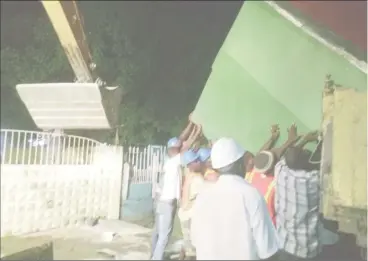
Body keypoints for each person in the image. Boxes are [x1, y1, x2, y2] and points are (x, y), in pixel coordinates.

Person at [190, 138, 279, 260]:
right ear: (239, 163)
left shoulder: (202, 196)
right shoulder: (251, 195)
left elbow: (195, 241)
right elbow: (268, 249)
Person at [275, 130, 338, 260]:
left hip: (284, 245)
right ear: (307, 163)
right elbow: (327, 166)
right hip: (307, 251)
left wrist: (304, 140)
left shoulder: (280, 171)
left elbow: (290, 157)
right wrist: (321, 142)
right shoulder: (313, 180)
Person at [151, 115, 201, 260]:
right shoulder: (174, 162)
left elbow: (180, 140)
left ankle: (152, 255)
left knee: (157, 233)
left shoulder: (169, 159)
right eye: (178, 148)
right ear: (175, 150)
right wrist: (196, 131)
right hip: (167, 203)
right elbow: (186, 145)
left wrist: (191, 124)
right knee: (164, 237)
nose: (181, 148)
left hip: (160, 201)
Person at [246, 124, 301, 226]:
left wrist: (273, 138)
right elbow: (294, 159)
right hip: (271, 227)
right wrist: (295, 141)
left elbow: (261, 155)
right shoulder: (278, 181)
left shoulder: (252, 174)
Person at [178, 150, 206, 260]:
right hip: (190, 215)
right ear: (191, 164)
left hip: (185, 214)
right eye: (196, 161)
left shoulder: (189, 175)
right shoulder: (197, 179)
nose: (199, 162)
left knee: (187, 243)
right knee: (192, 251)